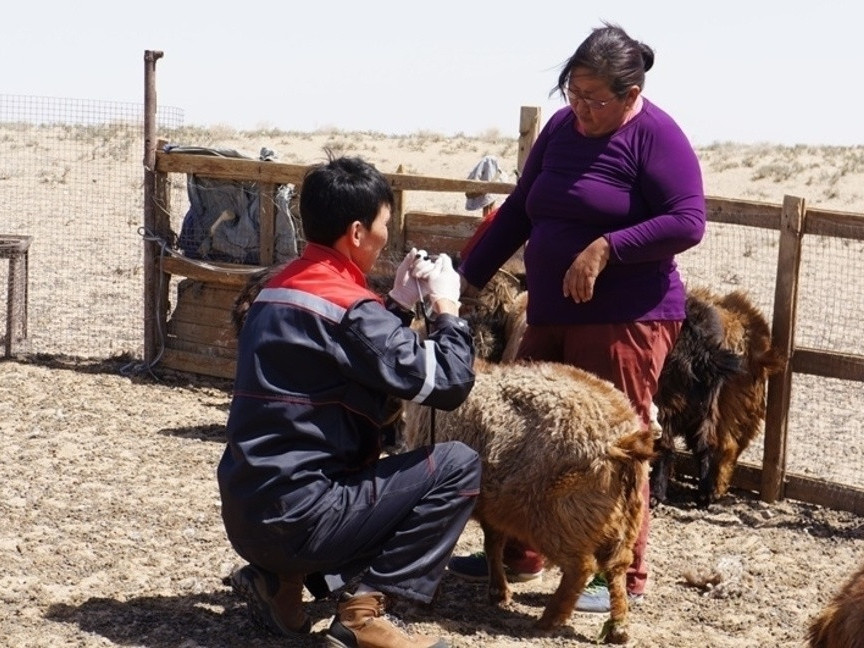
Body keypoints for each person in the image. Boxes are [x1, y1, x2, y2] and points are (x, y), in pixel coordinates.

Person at [449, 22, 706, 612]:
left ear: (631, 93)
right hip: (550, 310)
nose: (583, 110)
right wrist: (469, 273)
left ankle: (617, 573)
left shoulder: (656, 136)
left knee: (613, 443)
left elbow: (688, 220)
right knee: (527, 430)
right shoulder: (563, 128)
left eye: (597, 100)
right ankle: (525, 554)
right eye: (575, 95)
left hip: (626, 318)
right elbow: (520, 207)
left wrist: (607, 246)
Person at [217, 154, 481, 648]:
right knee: (458, 465)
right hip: (303, 520)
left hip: (246, 514)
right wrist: (447, 307)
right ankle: (362, 615)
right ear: (358, 232)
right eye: (384, 224)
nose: (386, 236)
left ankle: (280, 586)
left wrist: (397, 305)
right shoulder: (348, 308)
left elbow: (347, 362)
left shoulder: (274, 290)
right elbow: (449, 382)